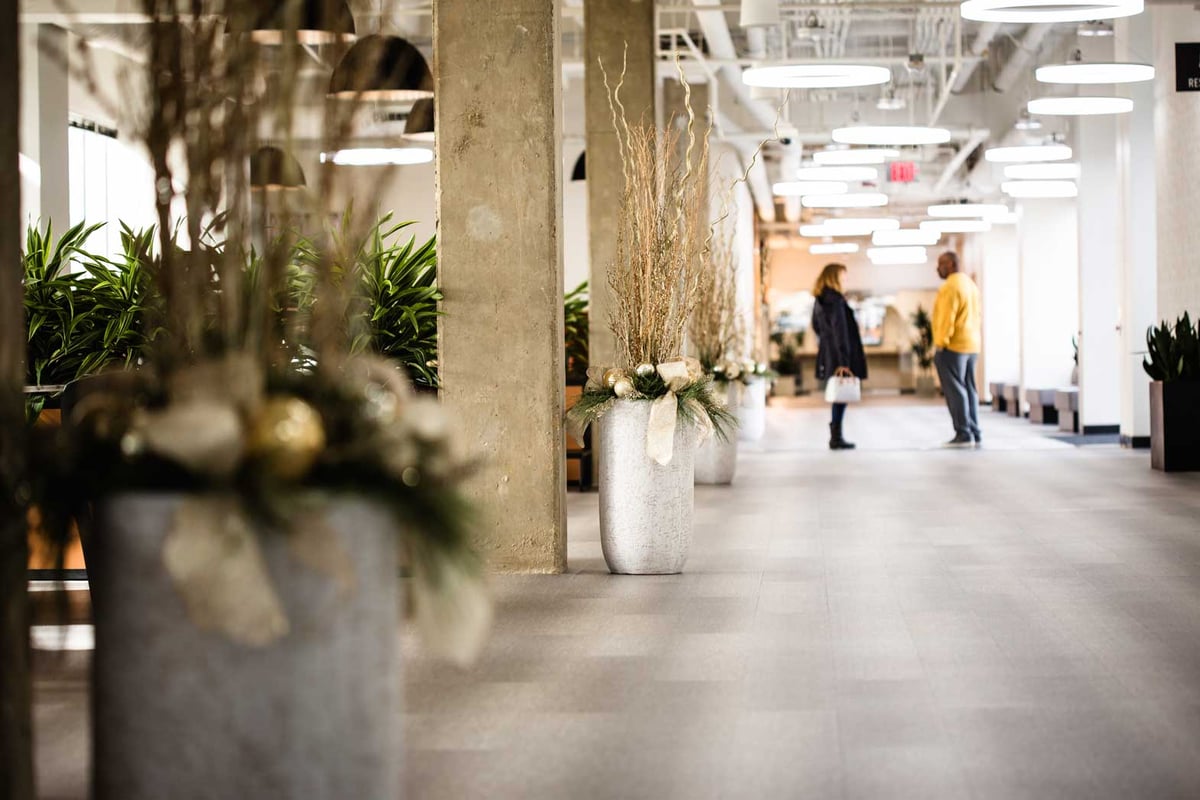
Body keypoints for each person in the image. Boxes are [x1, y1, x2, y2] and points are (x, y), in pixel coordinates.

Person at [811, 262, 867, 450]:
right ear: (834, 277)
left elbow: (816, 327)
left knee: (838, 395)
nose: (846, 280)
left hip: (828, 352)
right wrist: (844, 361)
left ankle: (836, 435)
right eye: (843, 277)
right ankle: (836, 437)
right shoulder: (836, 300)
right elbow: (841, 331)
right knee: (841, 395)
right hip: (841, 354)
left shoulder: (819, 300)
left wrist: (827, 346)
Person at [932, 251, 983, 447]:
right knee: (969, 388)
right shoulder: (970, 284)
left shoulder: (950, 287)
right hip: (972, 345)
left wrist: (941, 343)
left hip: (953, 346)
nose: (938, 268)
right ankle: (974, 430)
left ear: (952, 264)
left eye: (941, 264)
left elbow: (947, 318)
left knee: (955, 390)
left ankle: (963, 432)